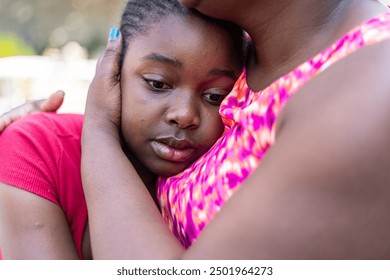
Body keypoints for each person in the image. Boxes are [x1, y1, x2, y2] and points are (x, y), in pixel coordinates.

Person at [79, 0, 390, 259]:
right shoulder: (238, 51)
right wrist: (48, 133)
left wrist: (98, 130)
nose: (185, 115)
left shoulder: (371, 87)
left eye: (214, 97)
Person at [0, 0, 244, 259]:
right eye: (158, 84)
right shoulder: (38, 146)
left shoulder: (218, 187)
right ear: (112, 71)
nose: (184, 115)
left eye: (215, 96)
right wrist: (99, 126)